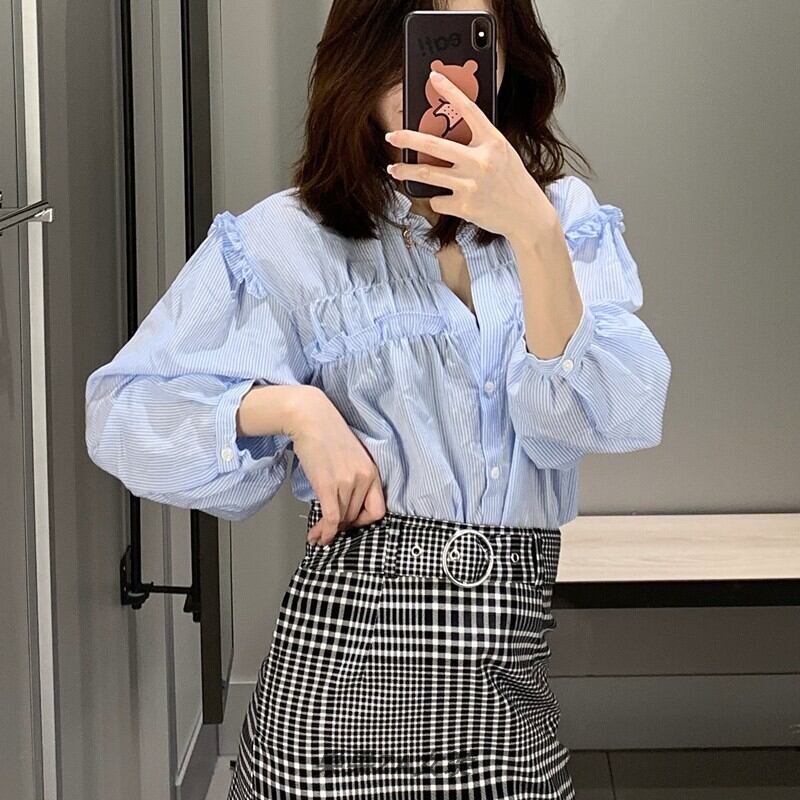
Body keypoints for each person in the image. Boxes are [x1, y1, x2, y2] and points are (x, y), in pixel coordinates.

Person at [85, 1, 671, 797]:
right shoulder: (293, 236)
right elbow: (121, 415)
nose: (443, 84)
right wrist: (296, 411)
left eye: (470, 48)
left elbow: (608, 416)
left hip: (508, 689)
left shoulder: (561, 220)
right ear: (360, 63)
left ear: (507, 60)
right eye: (417, 49)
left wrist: (533, 235)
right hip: (337, 684)